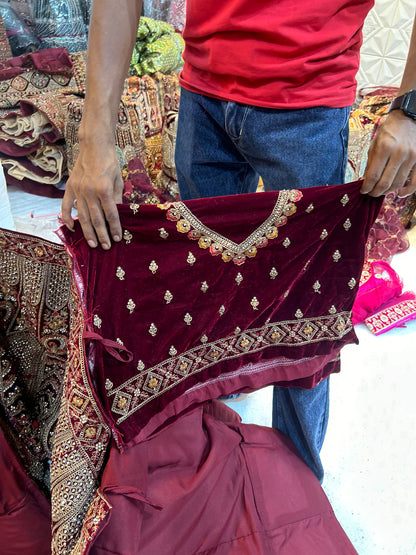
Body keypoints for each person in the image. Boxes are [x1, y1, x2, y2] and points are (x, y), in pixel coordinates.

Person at [61, 0, 416, 481]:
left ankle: (297, 491)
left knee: (306, 313)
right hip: (201, 94)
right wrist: (94, 138)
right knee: (203, 290)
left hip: (308, 106)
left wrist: (411, 109)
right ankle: (207, 453)